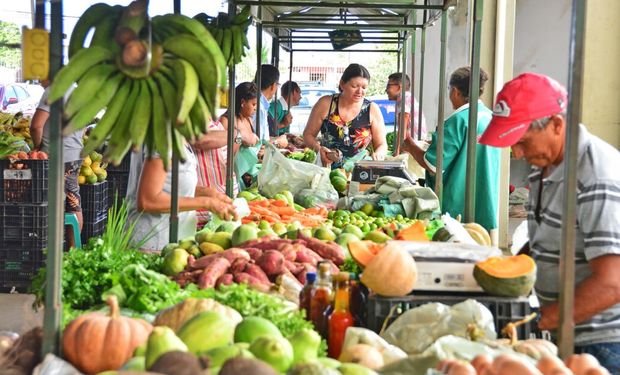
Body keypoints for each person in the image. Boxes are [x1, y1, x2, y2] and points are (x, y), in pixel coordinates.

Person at [479, 72, 620, 371]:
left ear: (556, 124)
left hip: (602, 343)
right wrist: (505, 271)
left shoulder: (597, 176)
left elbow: (612, 282)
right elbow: (548, 235)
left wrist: (535, 321)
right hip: (564, 330)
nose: (516, 152)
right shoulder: (544, 164)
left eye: (522, 141)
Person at [402, 67, 500, 232]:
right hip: (485, 200)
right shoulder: (490, 117)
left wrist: (410, 145)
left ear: (454, 91)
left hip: (457, 207)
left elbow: (433, 165)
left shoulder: (457, 121)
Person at [126, 143, 237, 252]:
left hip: (174, 243)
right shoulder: (164, 139)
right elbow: (148, 200)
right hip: (155, 243)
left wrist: (209, 193)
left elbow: (172, 186)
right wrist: (206, 202)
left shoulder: (178, 138)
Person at [193, 82, 259, 227]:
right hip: (207, 212)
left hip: (222, 203)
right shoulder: (195, 121)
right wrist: (239, 136)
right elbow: (201, 140)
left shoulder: (211, 120)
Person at [30, 81, 84, 247]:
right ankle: (73, 252)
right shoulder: (77, 91)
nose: (39, 80)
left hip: (55, 157)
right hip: (74, 153)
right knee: (73, 203)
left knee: (50, 203)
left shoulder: (53, 90)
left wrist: (37, 147)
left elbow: (36, 126)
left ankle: (51, 249)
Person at [303, 63, 387, 167]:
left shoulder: (372, 109)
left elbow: (381, 144)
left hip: (360, 170)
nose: (360, 91)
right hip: (327, 167)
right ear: (342, 84)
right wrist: (319, 149)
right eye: (354, 86)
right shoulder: (326, 104)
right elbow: (308, 135)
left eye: (364, 87)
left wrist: (379, 154)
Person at [385, 72, 427, 140]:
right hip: (415, 142)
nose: (386, 90)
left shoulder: (404, 99)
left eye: (388, 86)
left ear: (398, 87)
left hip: (415, 144)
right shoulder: (406, 98)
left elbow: (402, 130)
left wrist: (397, 150)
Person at [253, 64, 280, 141]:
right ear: (273, 86)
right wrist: (277, 141)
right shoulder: (259, 106)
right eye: (277, 85)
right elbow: (260, 141)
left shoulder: (262, 104)